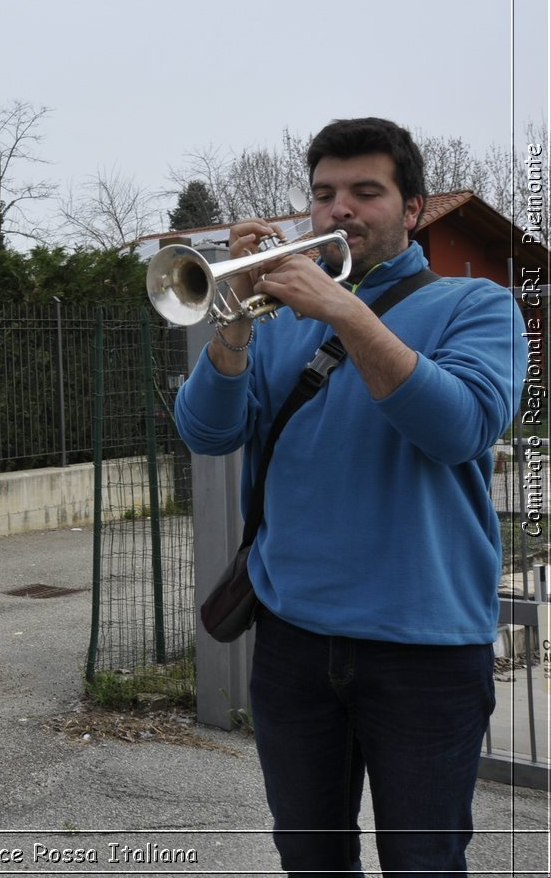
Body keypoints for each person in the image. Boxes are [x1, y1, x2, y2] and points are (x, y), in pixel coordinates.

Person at [173, 117, 527, 876]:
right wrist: (232, 323)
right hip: (294, 642)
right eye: (325, 194)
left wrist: (344, 312)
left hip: (425, 647)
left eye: (367, 192)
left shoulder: (478, 307)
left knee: (424, 862)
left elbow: (460, 427)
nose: (340, 211)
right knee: (310, 859)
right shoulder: (277, 321)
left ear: (413, 209)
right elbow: (206, 432)